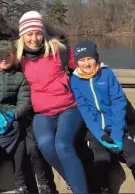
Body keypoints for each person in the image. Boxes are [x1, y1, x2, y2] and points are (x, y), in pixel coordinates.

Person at [15, 11, 88, 194]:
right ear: (22, 35)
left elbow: (85, 63)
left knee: (63, 145)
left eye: (38, 33)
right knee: (46, 145)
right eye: (29, 34)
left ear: (43, 33)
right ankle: (73, 180)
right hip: (42, 113)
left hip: (69, 108)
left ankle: (80, 189)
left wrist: (100, 68)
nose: (34, 38)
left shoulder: (59, 50)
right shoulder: (18, 58)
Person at [70, 40, 135, 194]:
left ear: (96, 58)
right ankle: (104, 190)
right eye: (81, 60)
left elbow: (118, 102)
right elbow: (85, 111)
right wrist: (100, 135)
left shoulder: (106, 73)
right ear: (77, 62)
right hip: (95, 131)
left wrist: (116, 134)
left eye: (90, 58)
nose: (86, 63)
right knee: (101, 160)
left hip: (116, 126)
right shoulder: (75, 80)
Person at [0, 39, 57, 194]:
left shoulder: (20, 77)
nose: (3, 59)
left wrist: (12, 114)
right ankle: (14, 184)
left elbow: (25, 103)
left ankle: (33, 184)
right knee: (7, 144)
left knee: (26, 145)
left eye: (7, 55)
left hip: (17, 117)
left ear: (14, 57)